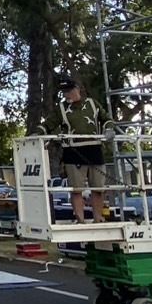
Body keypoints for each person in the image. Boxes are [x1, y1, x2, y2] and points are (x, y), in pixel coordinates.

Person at [58, 79, 108, 223]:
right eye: (64, 91)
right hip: (73, 152)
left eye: (69, 90)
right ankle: (80, 219)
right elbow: (48, 124)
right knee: (76, 189)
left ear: (77, 89)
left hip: (94, 149)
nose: (66, 94)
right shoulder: (61, 108)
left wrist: (109, 130)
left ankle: (98, 219)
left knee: (98, 188)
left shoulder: (92, 104)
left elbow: (106, 119)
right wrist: (37, 133)